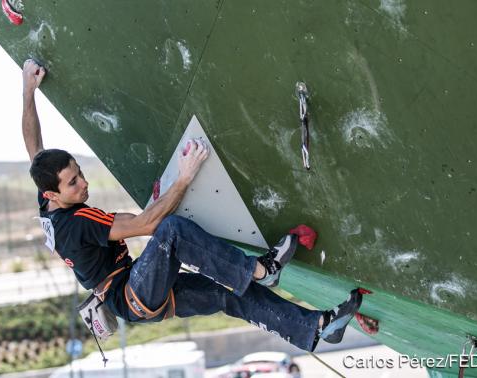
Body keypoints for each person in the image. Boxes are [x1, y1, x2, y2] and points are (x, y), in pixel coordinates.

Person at [21, 59, 362, 352]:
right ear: (54, 194)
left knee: (228, 295)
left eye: (79, 174)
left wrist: (28, 91)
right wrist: (183, 178)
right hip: (133, 294)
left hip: (137, 291)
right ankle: (261, 271)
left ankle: (316, 328)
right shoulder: (77, 221)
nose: (84, 184)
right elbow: (147, 225)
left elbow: (34, 146)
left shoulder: (48, 195)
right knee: (171, 232)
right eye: (74, 183)